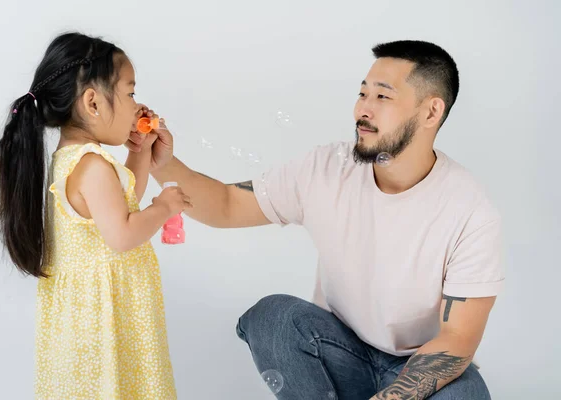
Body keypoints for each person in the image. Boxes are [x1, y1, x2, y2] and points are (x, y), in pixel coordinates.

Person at [128, 40, 503, 399]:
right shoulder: (327, 168)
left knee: (467, 393)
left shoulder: (469, 210)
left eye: (382, 96)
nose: (362, 110)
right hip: (337, 351)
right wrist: (162, 163)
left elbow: (456, 339)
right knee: (274, 318)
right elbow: (226, 204)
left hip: (415, 368)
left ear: (431, 112)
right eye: (362, 93)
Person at [0, 32, 192, 399]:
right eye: (130, 93)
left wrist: (143, 151)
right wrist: (163, 208)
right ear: (93, 103)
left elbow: (122, 205)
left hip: (86, 324)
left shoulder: (71, 161)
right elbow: (122, 235)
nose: (137, 106)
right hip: (105, 326)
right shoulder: (93, 166)